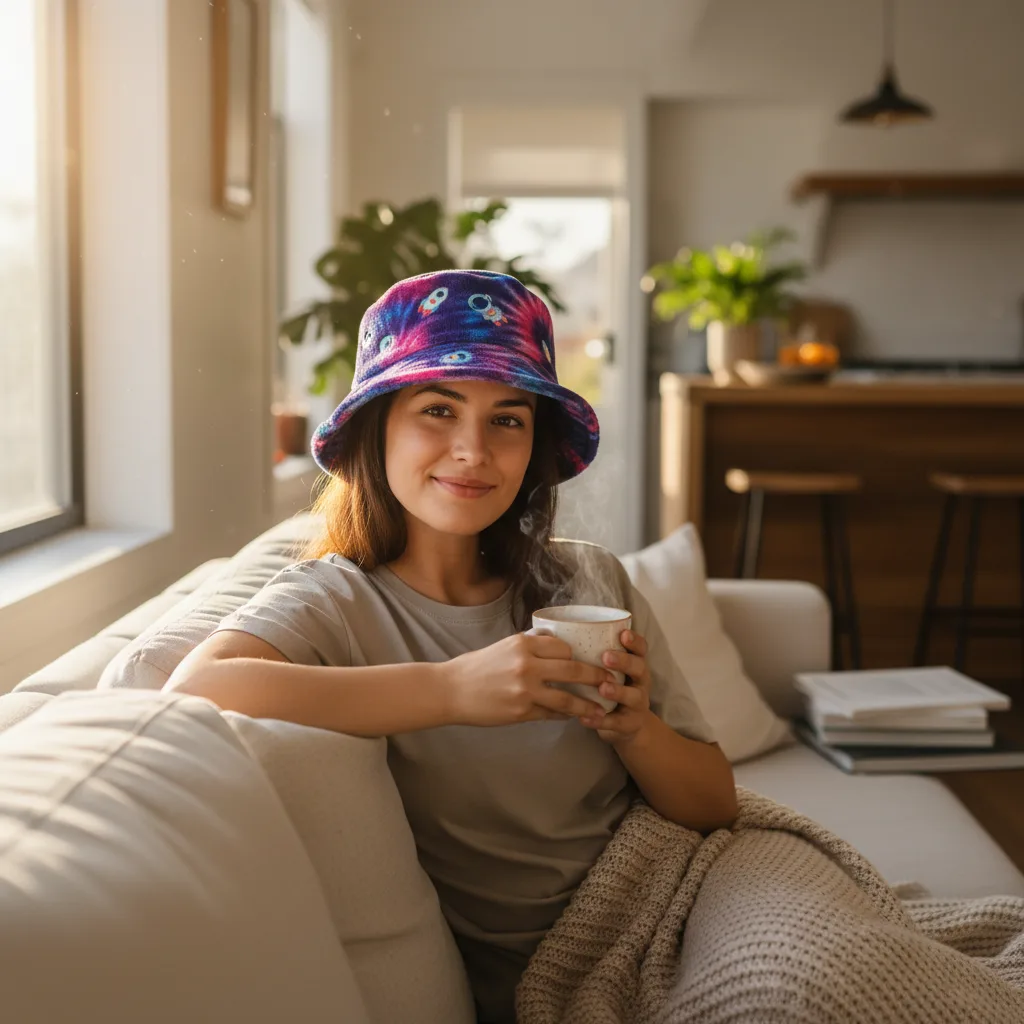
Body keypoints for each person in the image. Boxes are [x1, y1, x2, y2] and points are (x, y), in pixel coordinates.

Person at [165, 269, 738, 1023]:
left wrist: (635, 729)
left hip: (689, 894)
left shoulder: (588, 578)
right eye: (438, 410)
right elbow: (196, 685)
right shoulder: (336, 600)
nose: (473, 450)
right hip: (565, 968)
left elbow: (715, 805)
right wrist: (451, 691)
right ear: (378, 428)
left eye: (508, 420)